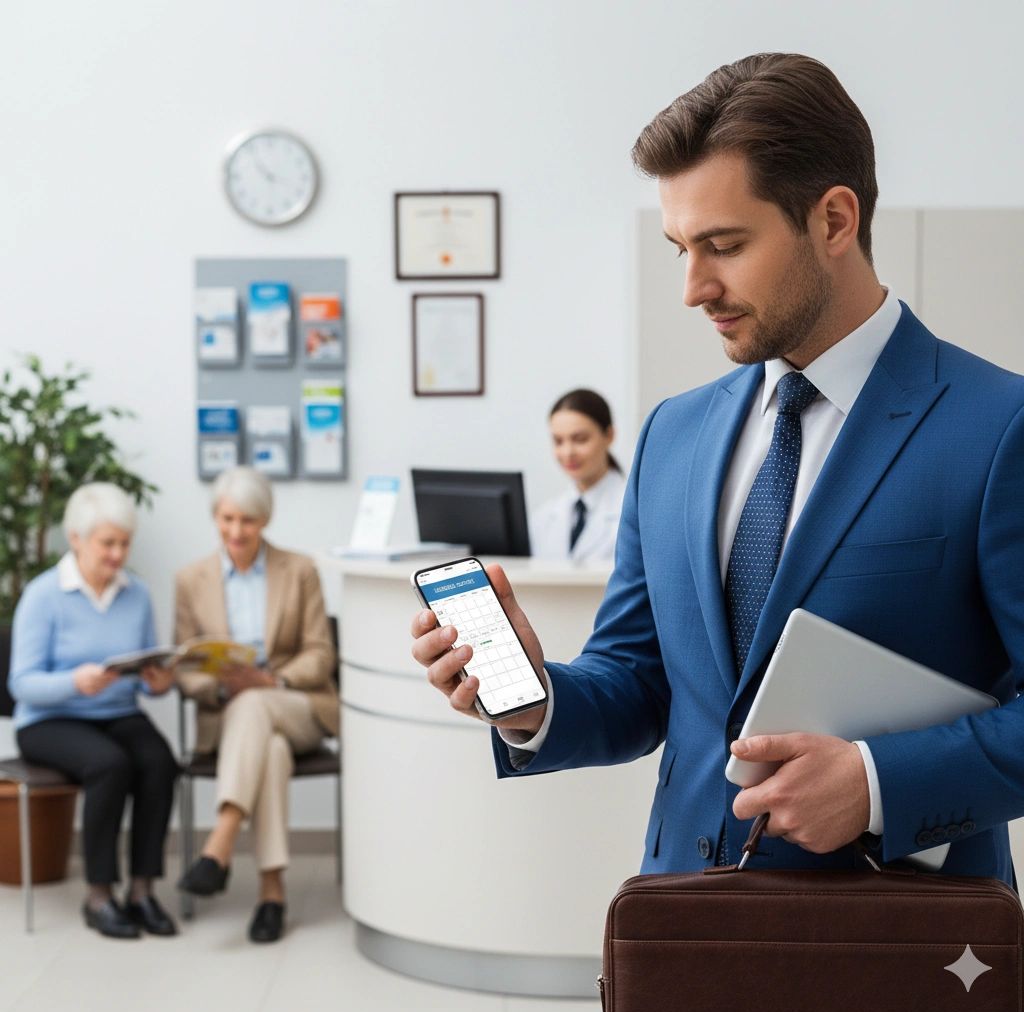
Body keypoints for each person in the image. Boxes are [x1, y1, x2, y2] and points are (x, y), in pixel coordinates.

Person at [412, 53, 1024, 886]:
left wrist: (879, 785)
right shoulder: (674, 434)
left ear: (835, 220)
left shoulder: (997, 427)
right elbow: (637, 682)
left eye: (724, 245)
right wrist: (534, 702)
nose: (695, 287)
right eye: (679, 249)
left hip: (903, 949)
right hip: (684, 928)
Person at [9, 483, 179, 939]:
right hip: (49, 719)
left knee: (160, 761)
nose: (118, 554)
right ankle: (99, 894)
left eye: (124, 544)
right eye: (108, 543)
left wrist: (159, 683)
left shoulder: (136, 594)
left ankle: (142, 890)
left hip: (118, 710)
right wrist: (73, 681)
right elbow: (21, 683)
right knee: (109, 764)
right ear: (77, 539)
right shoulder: (44, 595)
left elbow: (146, 669)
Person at [175, 467, 337, 943]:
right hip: (229, 715)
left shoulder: (300, 570)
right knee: (270, 750)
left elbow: (320, 652)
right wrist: (224, 687)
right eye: (227, 519)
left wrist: (272, 679)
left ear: (264, 520)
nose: (236, 531)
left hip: (299, 704)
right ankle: (272, 893)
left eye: (248, 520)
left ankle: (220, 840)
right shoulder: (190, 580)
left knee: (257, 705)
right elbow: (185, 669)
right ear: (215, 517)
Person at [530, 389, 626, 563]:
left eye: (580, 439)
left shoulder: (631, 511)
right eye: (558, 441)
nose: (567, 452)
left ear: (609, 435)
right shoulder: (542, 518)